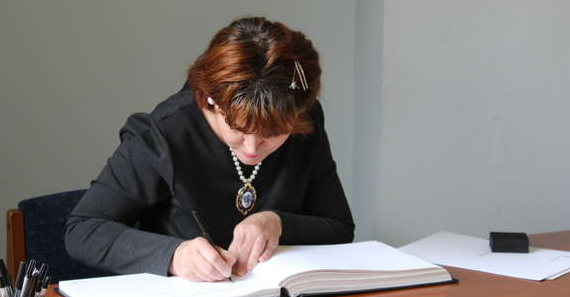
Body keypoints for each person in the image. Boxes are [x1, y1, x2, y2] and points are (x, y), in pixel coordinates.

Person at [65, 17, 354, 282]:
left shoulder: (300, 116)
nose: (252, 148)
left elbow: (340, 228)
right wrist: (175, 256)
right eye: (238, 130)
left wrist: (276, 222)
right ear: (210, 100)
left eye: (274, 133)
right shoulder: (163, 134)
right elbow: (83, 231)